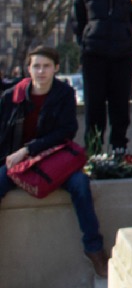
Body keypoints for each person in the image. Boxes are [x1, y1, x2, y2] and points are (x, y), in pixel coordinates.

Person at [0, 46, 107, 277]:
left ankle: (95, 250)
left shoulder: (64, 94)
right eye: (36, 66)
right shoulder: (12, 97)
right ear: (28, 68)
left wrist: (28, 150)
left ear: (56, 68)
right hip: (17, 164)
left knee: (80, 184)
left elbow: (66, 131)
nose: (41, 71)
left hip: (52, 160)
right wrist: (16, 156)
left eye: (46, 66)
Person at [73, 0, 132, 154]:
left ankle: (119, 147)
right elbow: (78, 21)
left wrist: (126, 36)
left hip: (122, 55)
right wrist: (86, 41)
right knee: (94, 106)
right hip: (94, 55)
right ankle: (93, 149)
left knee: (120, 104)